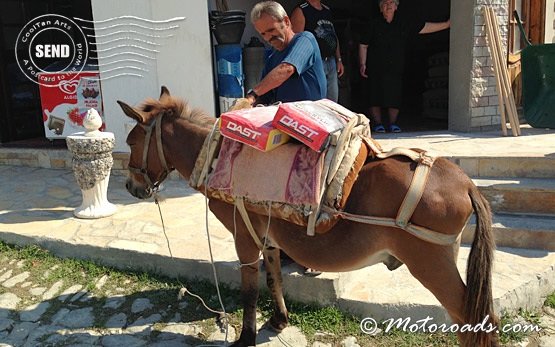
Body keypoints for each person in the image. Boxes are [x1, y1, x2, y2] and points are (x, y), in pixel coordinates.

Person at [358, 0, 450, 133]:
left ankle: (392, 123)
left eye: (391, 3)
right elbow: (363, 45)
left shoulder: (403, 23)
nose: (388, 6)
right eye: (384, 3)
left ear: (396, 7)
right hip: (375, 67)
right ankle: (378, 124)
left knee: (394, 96)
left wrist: (446, 25)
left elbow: (423, 28)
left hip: (396, 67)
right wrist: (363, 64)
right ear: (380, 8)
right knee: (374, 96)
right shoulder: (373, 24)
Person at [245, 1, 326, 106]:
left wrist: (253, 94)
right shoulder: (272, 58)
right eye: (263, 34)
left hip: (312, 116)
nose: (268, 37)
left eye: (271, 30)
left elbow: (286, 69)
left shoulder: (305, 39)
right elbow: (264, 96)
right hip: (286, 118)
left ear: (286, 22)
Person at [290, 0, 344, 102]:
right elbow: (296, 41)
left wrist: (339, 59)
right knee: (318, 99)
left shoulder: (327, 10)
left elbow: (333, 35)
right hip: (315, 63)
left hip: (331, 61)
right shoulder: (301, 10)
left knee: (333, 100)